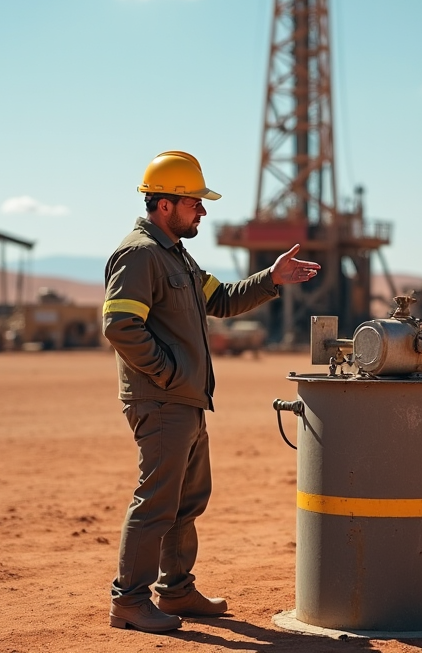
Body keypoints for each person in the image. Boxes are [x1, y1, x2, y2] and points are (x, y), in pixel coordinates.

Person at [103, 150, 320, 633]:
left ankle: (175, 589)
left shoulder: (174, 254)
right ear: (164, 204)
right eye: (194, 202)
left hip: (184, 397)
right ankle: (129, 602)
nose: (203, 210)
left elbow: (219, 300)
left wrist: (272, 279)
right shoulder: (139, 255)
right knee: (157, 499)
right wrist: (168, 374)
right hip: (163, 399)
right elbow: (120, 326)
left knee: (187, 497)